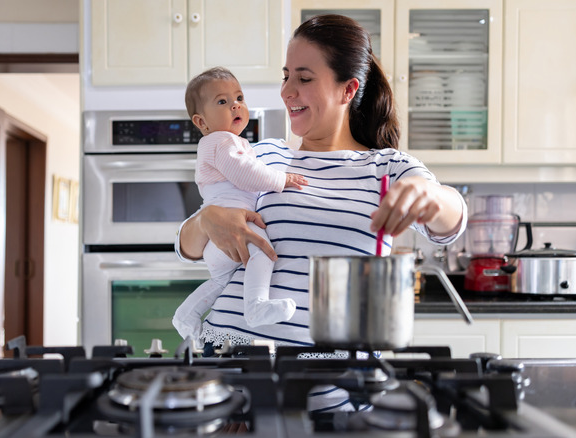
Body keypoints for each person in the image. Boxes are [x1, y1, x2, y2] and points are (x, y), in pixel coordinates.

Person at [175, 14, 467, 352]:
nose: (287, 91)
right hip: (225, 353)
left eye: (304, 78)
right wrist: (206, 219)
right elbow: (188, 249)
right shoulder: (261, 156)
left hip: (329, 372)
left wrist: (430, 195)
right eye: (286, 77)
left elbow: (452, 221)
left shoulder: (387, 167)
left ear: (348, 89)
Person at [172, 67, 309, 342]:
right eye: (222, 102)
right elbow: (245, 174)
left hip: (218, 242)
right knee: (261, 252)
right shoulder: (221, 142)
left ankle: (185, 315)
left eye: (239, 97)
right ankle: (256, 307)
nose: (235, 105)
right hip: (232, 227)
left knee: (222, 281)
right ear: (201, 122)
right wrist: (282, 179)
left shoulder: (227, 143)